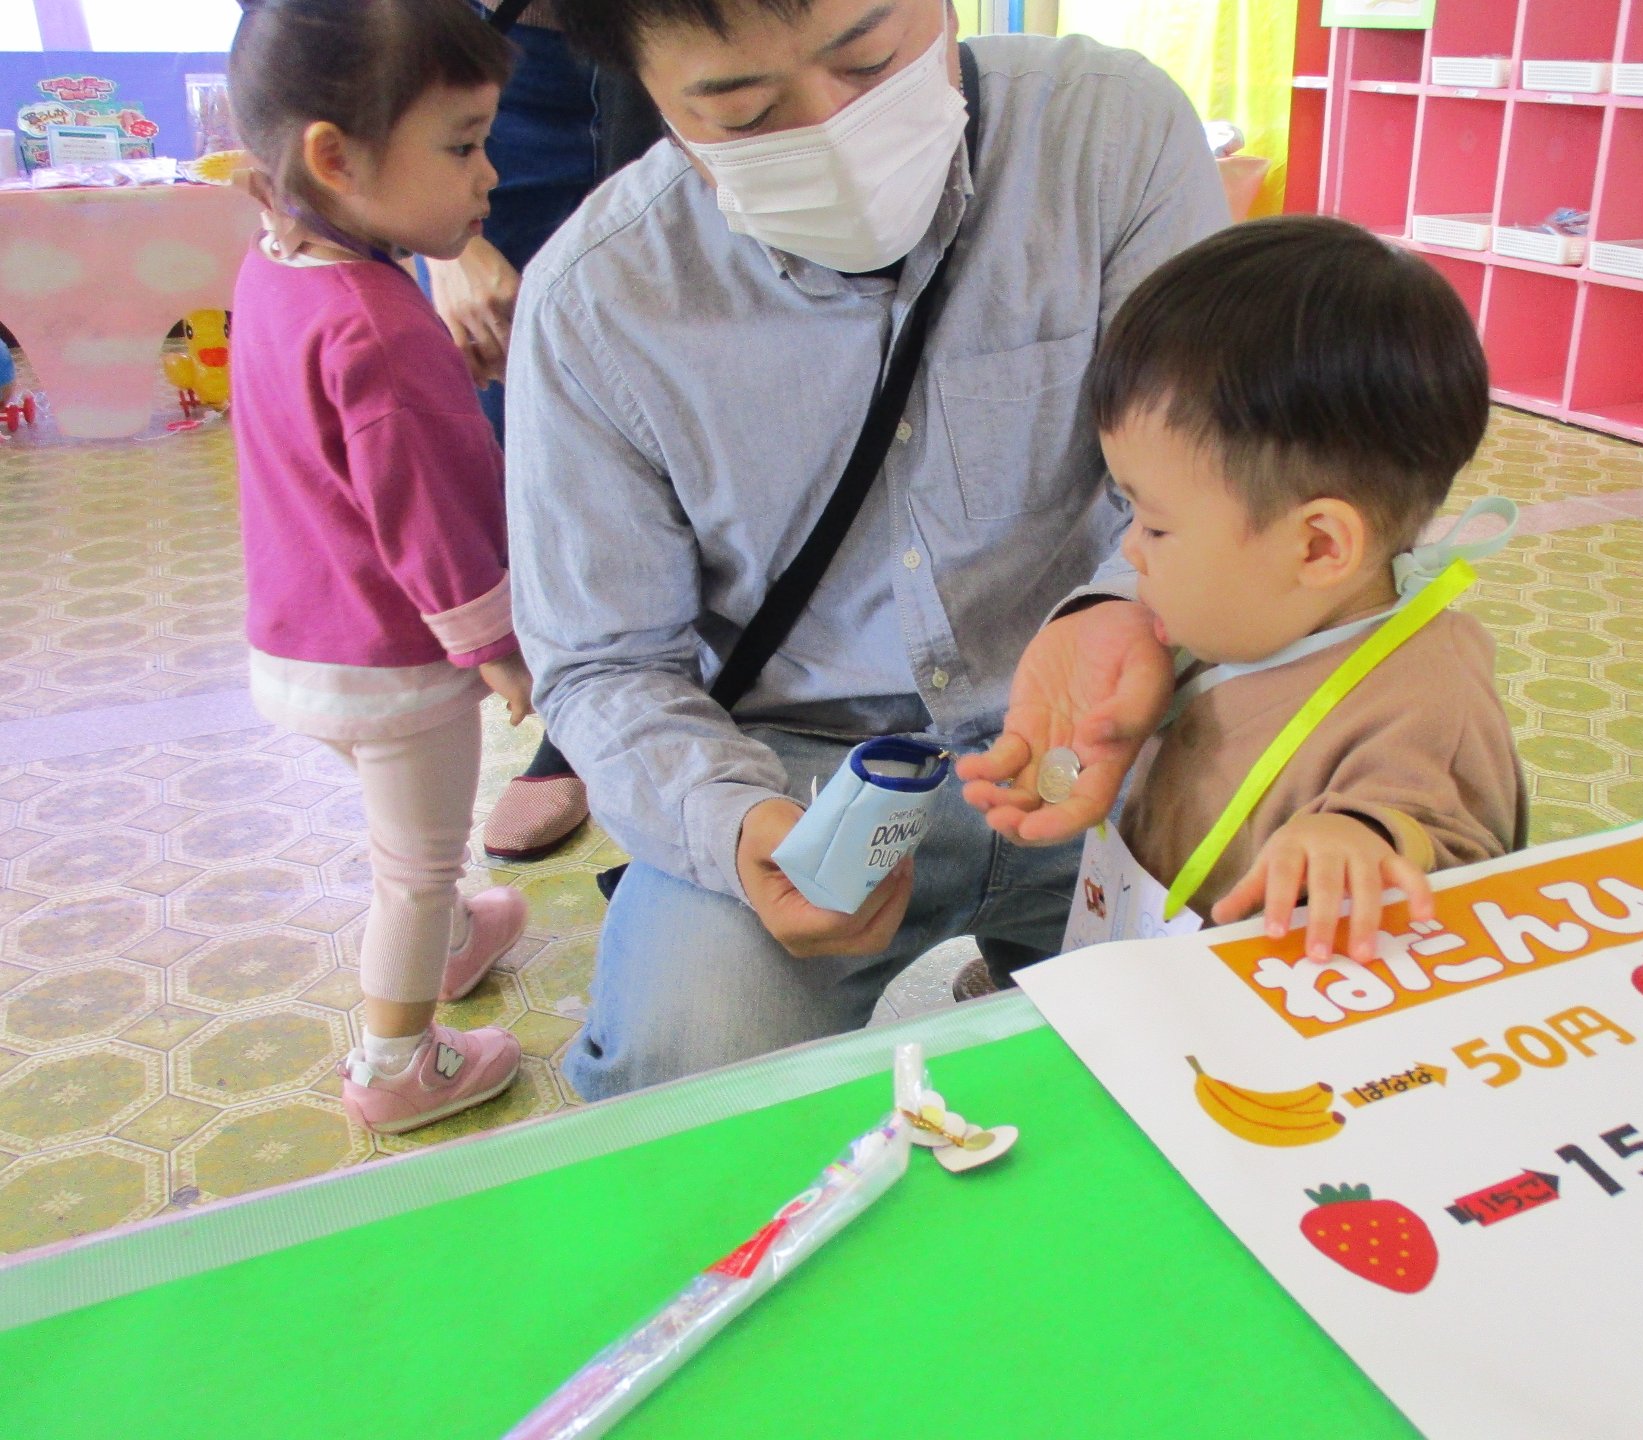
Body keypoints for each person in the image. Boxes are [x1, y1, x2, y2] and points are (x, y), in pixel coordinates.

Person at [508, 0, 1229, 1097]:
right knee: (687, 1072)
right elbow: (604, 663)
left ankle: (1040, 969)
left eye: (871, 60)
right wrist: (733, 822)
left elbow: (1225, 474)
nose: (834, 134)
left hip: (1107, 721)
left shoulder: (1107, 135)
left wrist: (1120, 604)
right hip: (795, 768)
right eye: (745, 114)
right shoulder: (595, 302)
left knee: (1266, 1004)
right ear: (646, 98)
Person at [998, 215, 1526, 961]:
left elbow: (1445, 840)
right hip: (1162, 972)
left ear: (1317, 546)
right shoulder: (1242, 617)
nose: (1129, 550)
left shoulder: (1428, 689)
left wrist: (1361, 837)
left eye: (1154, 525)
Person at [227, 0, 534, 1133]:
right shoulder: (382, 322)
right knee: (413, 860)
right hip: (392, 659)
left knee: (411, 832)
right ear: (334, 157)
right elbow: (432, 516)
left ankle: (455, 940)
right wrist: (496, 647)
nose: (489, 176)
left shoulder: (278, 268)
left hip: (300, 632)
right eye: (462, 145)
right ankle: (395, 1064)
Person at [423, 0, 667, 864]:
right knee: (525, 430)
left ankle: (720, 689)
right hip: (491, 58)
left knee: (689, 397)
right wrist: (445, 236)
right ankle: (577, 712)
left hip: (667, 48)